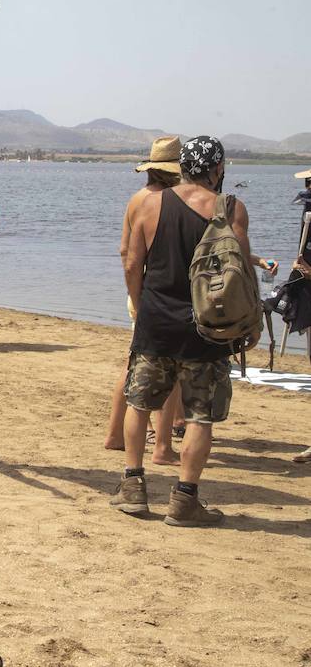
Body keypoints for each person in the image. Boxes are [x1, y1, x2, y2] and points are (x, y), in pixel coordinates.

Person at [113, 136, 252, 527]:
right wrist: (248, 323)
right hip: (208, 327)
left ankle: (133, 487)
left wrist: (141, 307)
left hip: (156, 320)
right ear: (218, 168)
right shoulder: (231, 208)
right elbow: (239, 275)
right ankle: (185, 499)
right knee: (199, 415)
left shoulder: (150, 202)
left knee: (139, 403)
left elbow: (131, 264)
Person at [104, 137, 184, 462]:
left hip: (139, 288)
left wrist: (133, 295)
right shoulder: (169, 201)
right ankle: (163, 446)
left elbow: (126, 252)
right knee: (170, 370)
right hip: (158, 293)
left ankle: (113, 433)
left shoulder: (137, 199)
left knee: (134, 362)